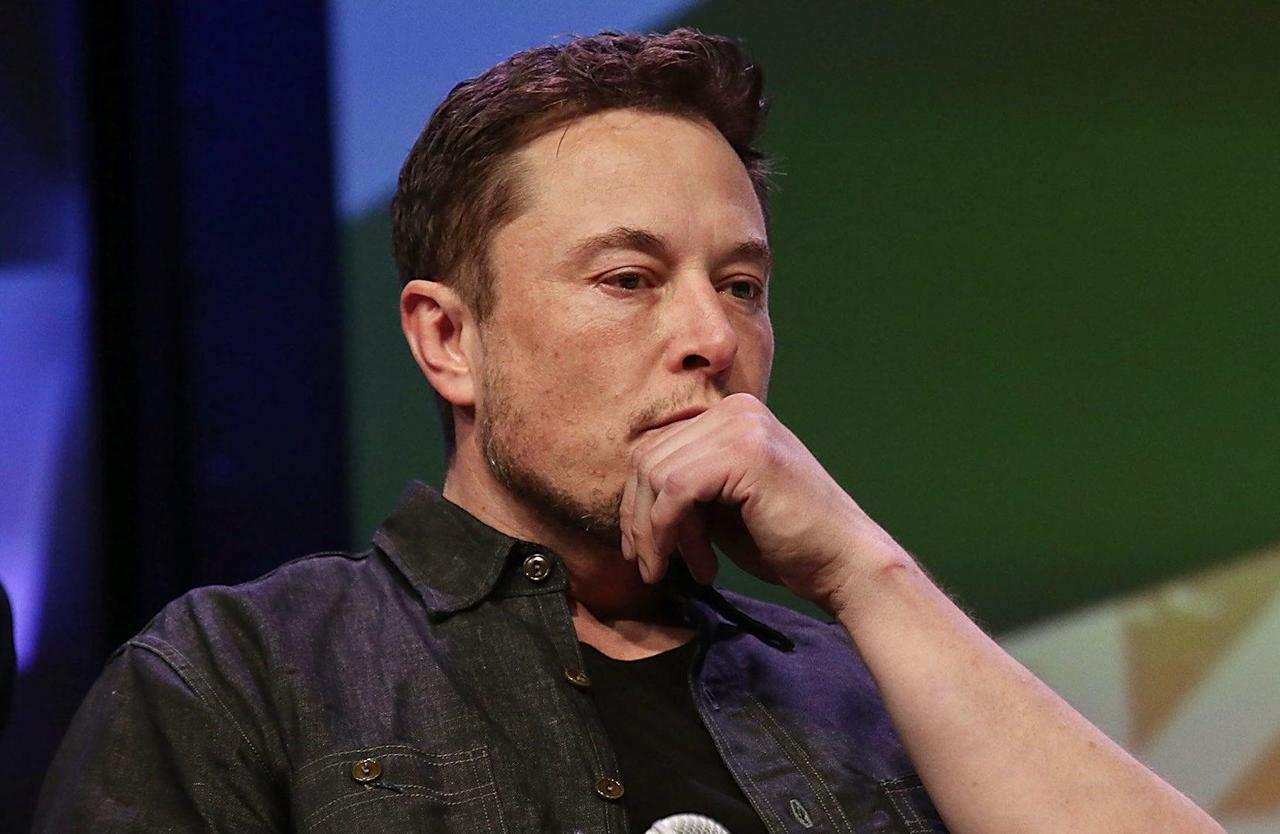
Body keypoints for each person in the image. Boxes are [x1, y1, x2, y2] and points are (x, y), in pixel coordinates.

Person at [36, 29, 1222, 833]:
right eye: (627, 279)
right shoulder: (241, 677)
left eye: (742, 286)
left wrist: (865, 575)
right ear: (448, 339)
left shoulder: (864, 689)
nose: (712, 336)